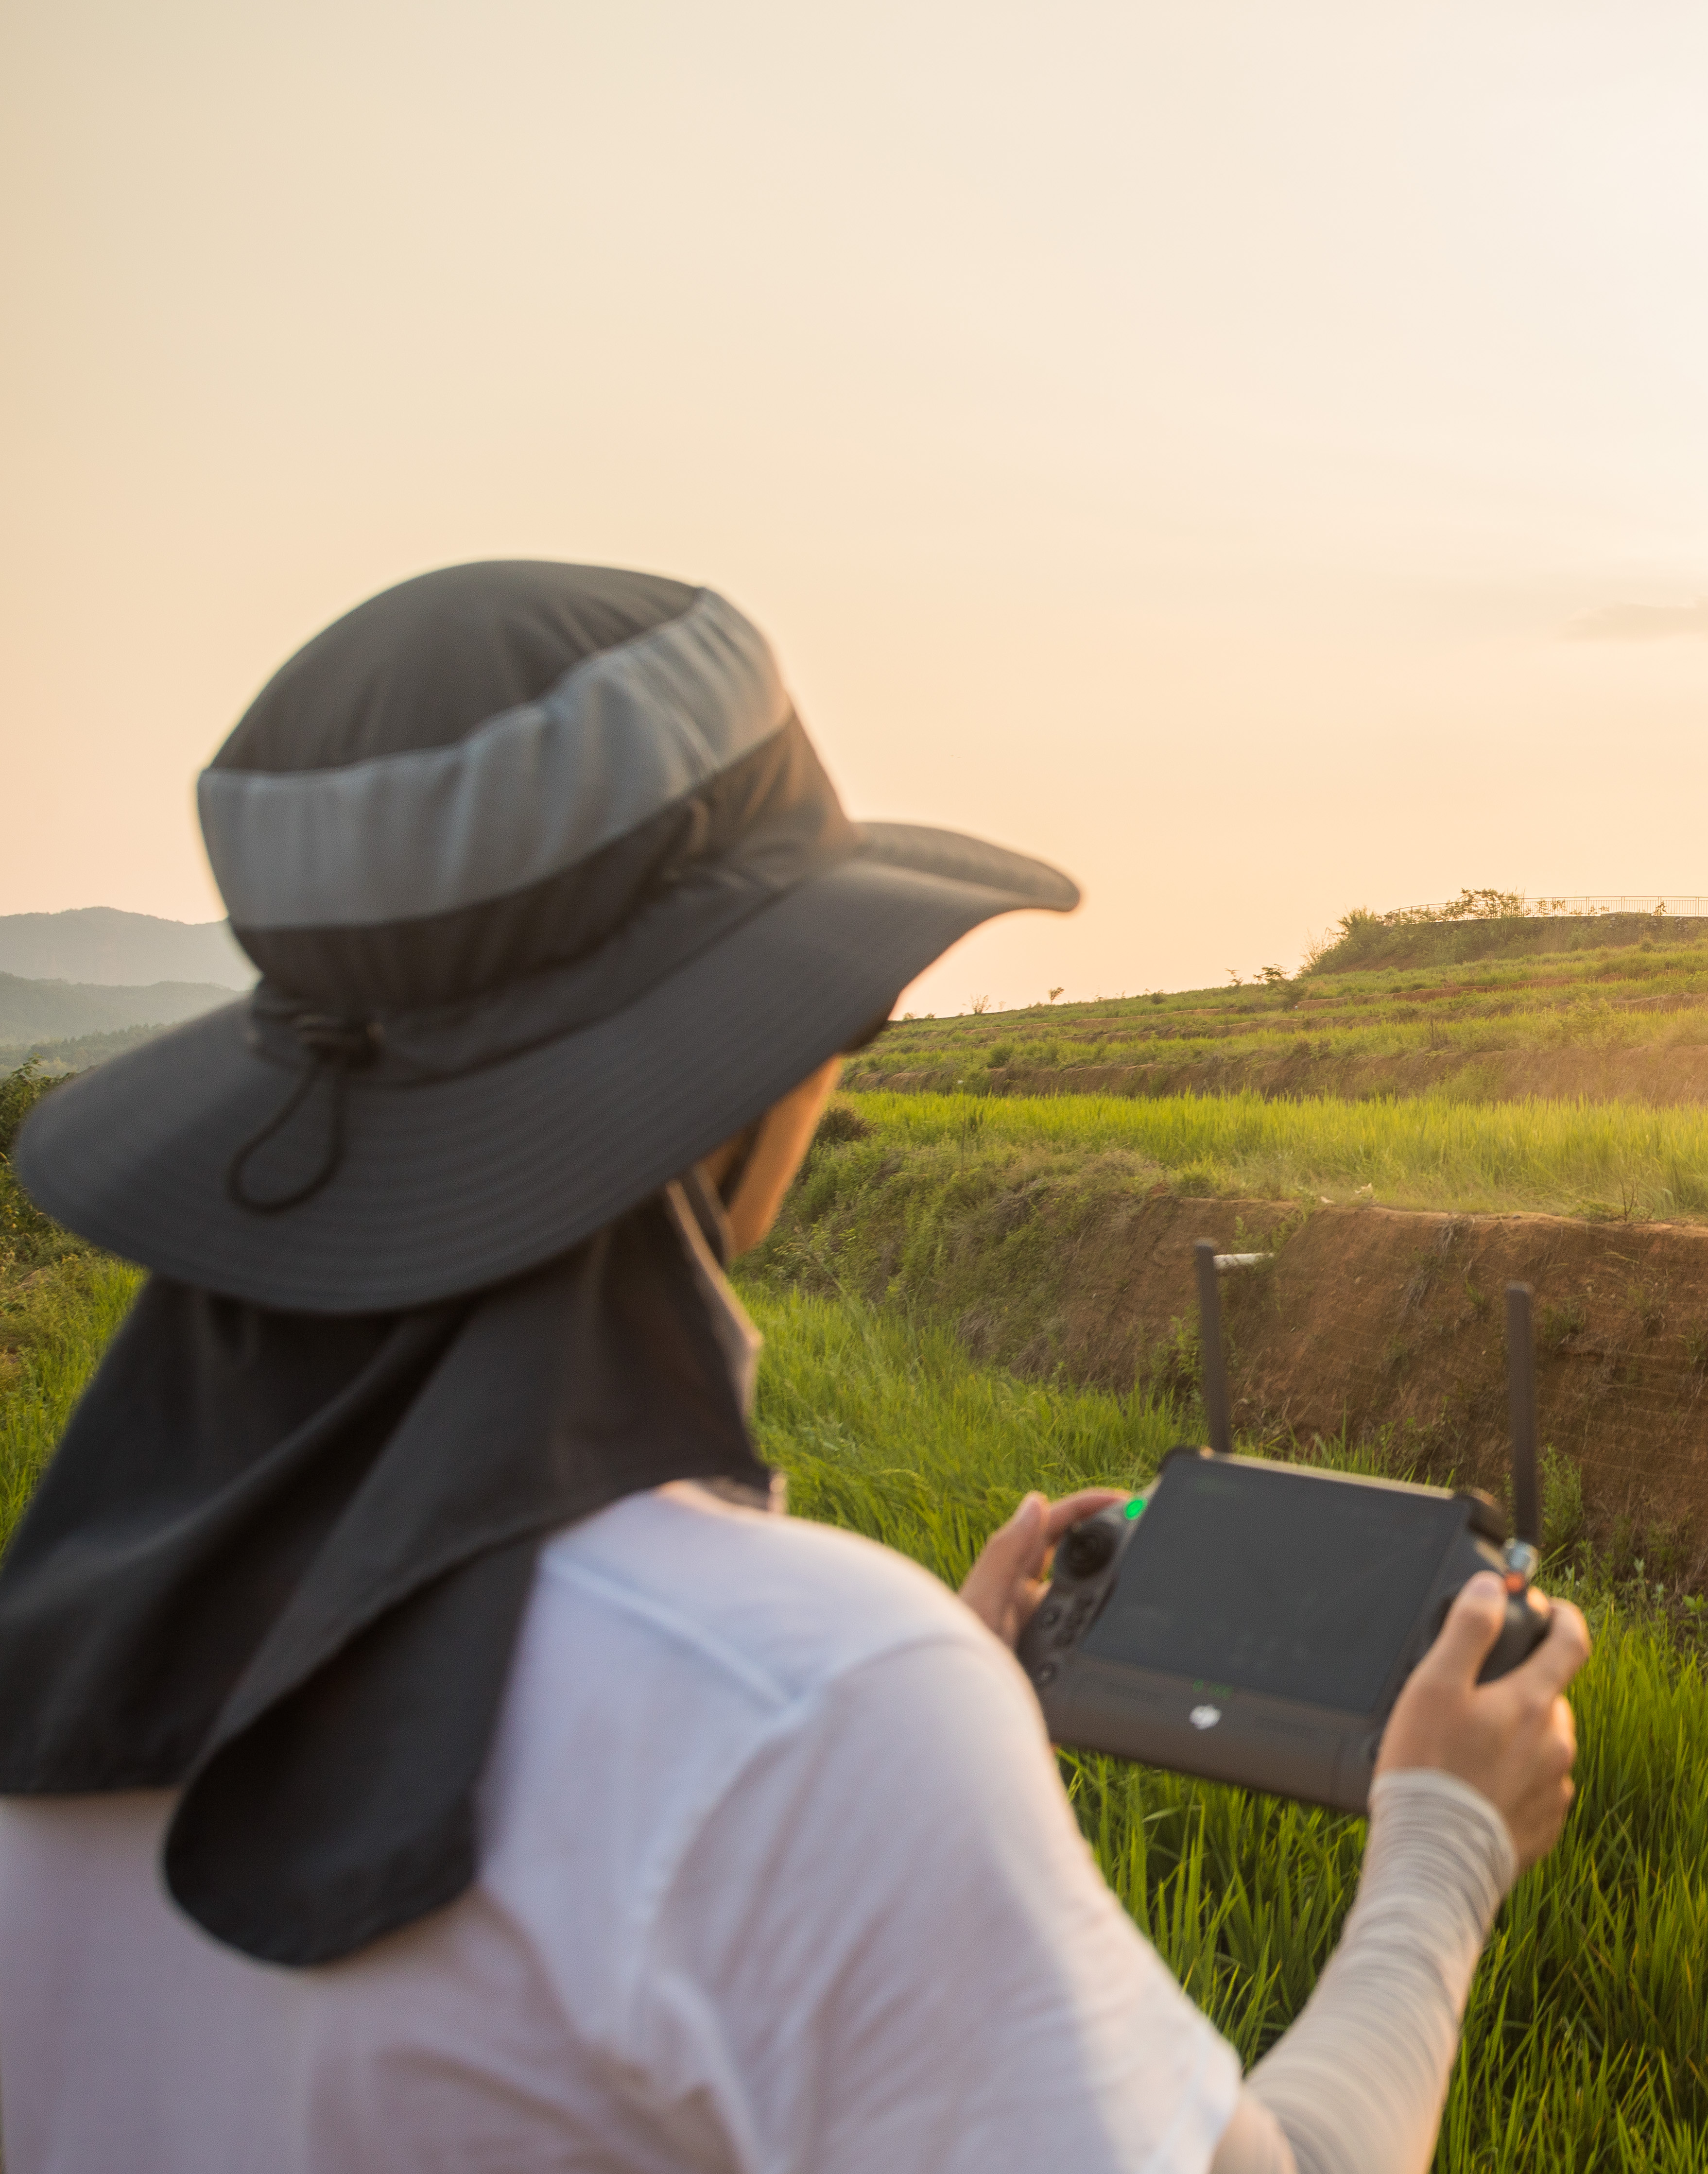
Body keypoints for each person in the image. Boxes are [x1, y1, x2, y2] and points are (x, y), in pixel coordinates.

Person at [0, 560, 1589, 2174]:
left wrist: (922, 1721)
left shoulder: (63, 1664)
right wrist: (1445, 1849)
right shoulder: (808, 1714)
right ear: (728, 1065)